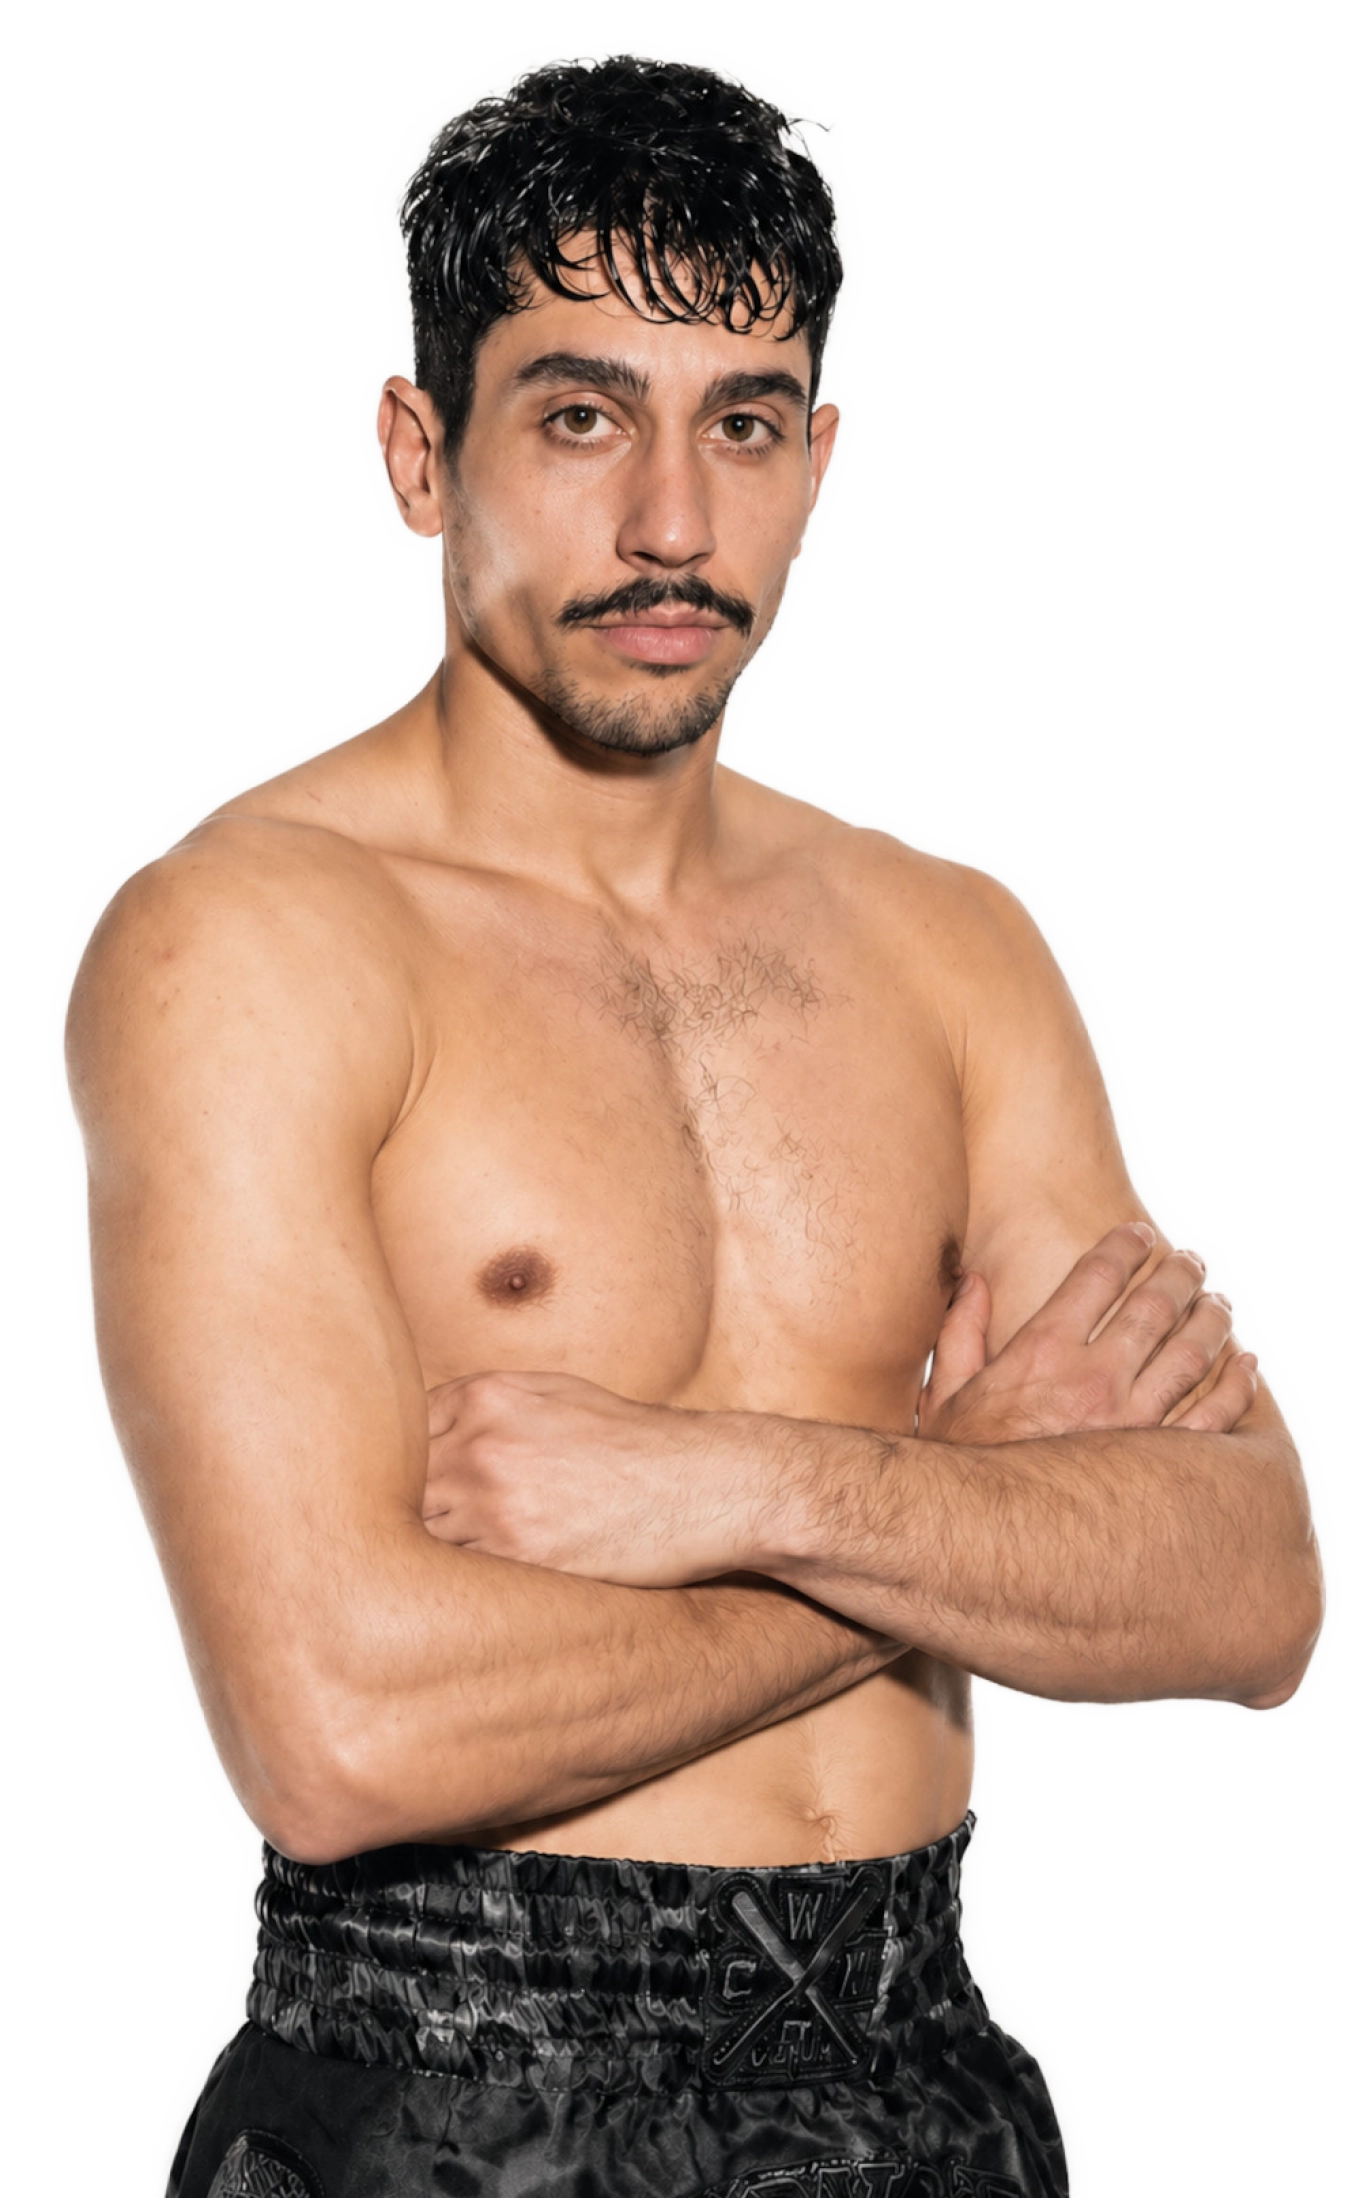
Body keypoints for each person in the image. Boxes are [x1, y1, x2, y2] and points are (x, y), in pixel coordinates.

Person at [65, 52, 1321, 2198]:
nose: (671, 522)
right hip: (458, 2102)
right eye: (580, 417)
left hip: (925, 2090)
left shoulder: (947, 947)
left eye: (740, 423)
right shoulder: (250, 944)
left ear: (816, 458)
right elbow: (343, 1731)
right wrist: (957, 1510)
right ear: (419, 451)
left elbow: (1249, 1581)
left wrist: (730, 1482)